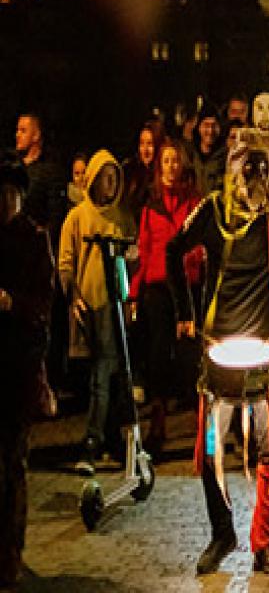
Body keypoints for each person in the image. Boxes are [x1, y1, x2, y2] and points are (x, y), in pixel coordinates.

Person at [167, 128, 269, 576]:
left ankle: (265, 543)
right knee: (212, 452)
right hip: (217, 352)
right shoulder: (211, 211)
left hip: (264, 353)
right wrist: (185, 312)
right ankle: (221, 531)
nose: (254, 175)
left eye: (261, 167)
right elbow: (174, 251)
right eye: (246, 165)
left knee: (268, 456)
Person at [57, 150, 135, 474]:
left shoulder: (122, 217)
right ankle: (97, 442)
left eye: (114, 177)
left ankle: (105, 443)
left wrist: (130, 296)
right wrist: (73, 295)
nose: (110, 182)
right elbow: (66, 262)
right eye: (105, 176)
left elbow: (131, 261)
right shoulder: (77, 218)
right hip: (90, 307)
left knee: (111, 377)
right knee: (98, 377)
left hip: (115, 307)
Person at [0, 153, 54, 589]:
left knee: (13, 466)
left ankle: (10, 556)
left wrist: (12, 304)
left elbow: (43, 304)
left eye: (8, 193)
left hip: (16, 367)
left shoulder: (34, 240)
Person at [129, 139, 200, 454]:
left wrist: (194, 261)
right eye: (166, 161)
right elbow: (144, 250)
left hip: (187, 286)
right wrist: (134, 292)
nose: (171, 167)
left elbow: (201, 242)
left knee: (190, 355)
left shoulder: (194, 202)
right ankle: (158, 422)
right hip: (157, 287)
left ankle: (201, 425)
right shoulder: (151, 207)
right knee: (158, 355)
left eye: (175, 161)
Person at [14, 113, 64, 235]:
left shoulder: (49, 172)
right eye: (17, 130)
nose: (17, 135)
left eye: (23, 131)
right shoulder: (10, 166)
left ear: (36, 135)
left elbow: (56, 216)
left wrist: (41, 234)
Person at [121, 122, 162, 224]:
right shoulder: (132, 173)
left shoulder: (163, 177)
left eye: (150, 144)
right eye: (142, 143)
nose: (145, 149)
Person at [190, 111, 225, 198]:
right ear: (199, 127)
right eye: (206, 125)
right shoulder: (190, 153)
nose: (210, 131)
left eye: (214, 126)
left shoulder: (225, 156)